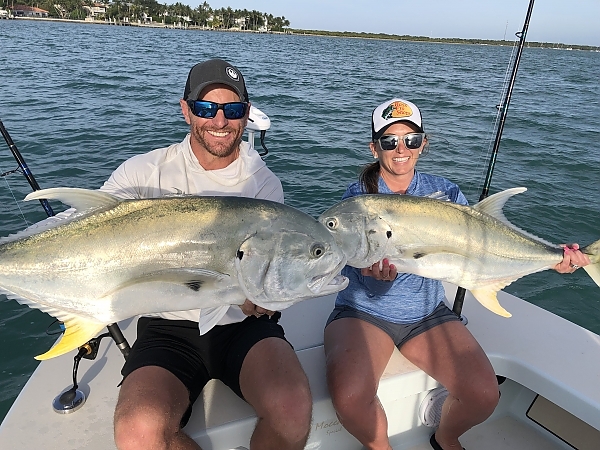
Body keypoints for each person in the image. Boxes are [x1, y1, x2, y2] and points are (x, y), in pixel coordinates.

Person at [323, 98, 591, 450]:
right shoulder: (358, 201)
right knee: (351, 397)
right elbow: (337, 252)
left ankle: (445, 437)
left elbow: (481, 248)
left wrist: (552, 258)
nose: (401, 149)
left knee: (483, 394)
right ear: (375, 147)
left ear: (424, 144)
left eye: (411, 139)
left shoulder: (446, 192)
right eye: (389, 141)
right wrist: (371, 275)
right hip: (363, 313)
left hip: (428, 315)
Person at [106, 59, 312, 450]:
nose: (219, 121)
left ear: (247, 115)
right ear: (186, 110)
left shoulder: (262, 185)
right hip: (168, 325)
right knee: (137, 432)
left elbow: (267, 281)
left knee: (292, 409)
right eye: (205, 108)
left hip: (242, 324)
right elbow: (83, 231)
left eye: (232, 110)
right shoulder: (140, 175)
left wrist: (264, 300)